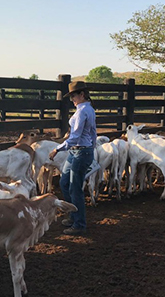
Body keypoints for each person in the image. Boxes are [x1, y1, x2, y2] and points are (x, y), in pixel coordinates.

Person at [49, 81, 96, 235]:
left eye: (74, 95)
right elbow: (92, 132)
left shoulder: (82, 111)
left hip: (80, 151)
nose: (72, 99)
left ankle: (79, 223)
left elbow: (75, 137)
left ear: (82, 94)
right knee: (64, 183)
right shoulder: (86, 109)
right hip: (80, 151)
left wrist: (57, 148)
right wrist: (92, 147)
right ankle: (74, 216)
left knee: (75, 188)